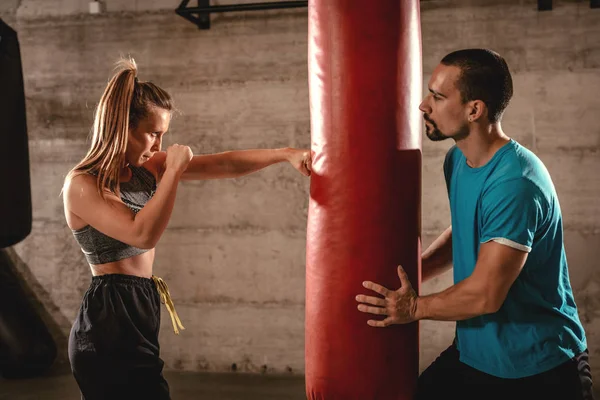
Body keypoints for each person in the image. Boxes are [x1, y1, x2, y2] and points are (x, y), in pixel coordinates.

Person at [62, 57, 312, 400]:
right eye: (152, 134)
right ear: (122, 126)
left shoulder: (145, 169)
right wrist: (174, 172)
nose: (159, 147)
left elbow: (224, 163)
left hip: (141, 305)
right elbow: (141, 234)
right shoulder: (82, 184)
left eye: (163, 135)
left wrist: (285, 154)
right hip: (108, 316)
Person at [355, 49, 594, 399]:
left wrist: (414, 308)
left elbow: (486, 294)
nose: (424, 105)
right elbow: (471, 230)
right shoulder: (458, 161)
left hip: (539, 367)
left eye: (437, 96)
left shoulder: (516, 182)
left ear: (474, 109)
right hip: (475, 354)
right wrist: (415, 270)